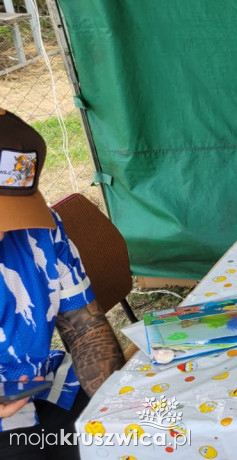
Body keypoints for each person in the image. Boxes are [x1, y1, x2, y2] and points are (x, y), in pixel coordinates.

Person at [0, 108, 126, 459]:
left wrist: (114, 410)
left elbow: (85, 328)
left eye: (11, 213)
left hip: (41, 389)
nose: (4, 231)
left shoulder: (41, 230)